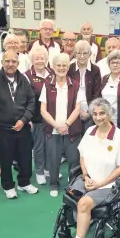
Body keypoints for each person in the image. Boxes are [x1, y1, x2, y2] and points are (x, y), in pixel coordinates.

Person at [59, 98, 120, 238]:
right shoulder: (90, 131)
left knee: (84, 204)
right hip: (88, 180)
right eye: (95, 114)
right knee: (70, 195)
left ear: (109, 114)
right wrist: (85, 176)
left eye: (102, 113)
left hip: (108, 185)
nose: (98, 117)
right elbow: (83, 155)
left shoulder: (119, 136)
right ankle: (78, 225)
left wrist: (99, 184)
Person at [0, 50, 37, 199]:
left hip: (22, 126)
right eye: (7, 61)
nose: (10, 64)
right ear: (2, 62)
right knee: (5, 159)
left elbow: (31, 102)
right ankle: (8, 186)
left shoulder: (23, 80)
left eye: (14, 61)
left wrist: (24, 119)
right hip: (2, 128)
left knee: (25, 157)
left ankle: (24, 183)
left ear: (18, 63)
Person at [40, 53, 83, 197]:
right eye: (58, 65)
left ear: (68, 67)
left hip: (71, 130)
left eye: (64, 65)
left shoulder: (75, 85)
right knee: (53, 159)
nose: (61, 68)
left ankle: (73, 185)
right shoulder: (47, 84)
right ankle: (54, 184)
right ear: (53, 66)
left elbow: (78, 108)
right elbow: (43, 110)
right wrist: (56, 126)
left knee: (73, 159)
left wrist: (66, 124)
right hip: (53, 130)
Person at [24, 46, 53, 185]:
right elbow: (23, 99)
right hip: (36, 118)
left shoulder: (53, 73)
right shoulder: (26, 75)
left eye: (42, 58)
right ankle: (40, 172)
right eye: (37, 58)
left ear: (46, 59)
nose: (40, 61)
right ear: (32, 60)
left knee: (51, 145)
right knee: (39, 146)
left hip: (52, 118)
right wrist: (26, 118)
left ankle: (48, 169)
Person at [68, 40, 101, 132]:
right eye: (79, 53)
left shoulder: (95, 70)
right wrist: (76, 111)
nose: (82, 56)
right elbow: (68, 92)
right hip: (72, 111)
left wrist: (89, 112)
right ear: (75, 54)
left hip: (90, 112)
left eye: (85, 53)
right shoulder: (69, 69)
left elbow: (97, 93)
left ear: (90, 54)